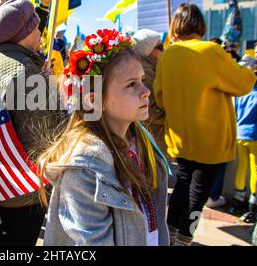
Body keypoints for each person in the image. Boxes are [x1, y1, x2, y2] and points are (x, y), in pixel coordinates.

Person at [39, 29, 169, 246]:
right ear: (94, 101)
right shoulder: (84, 170)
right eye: (131, 84)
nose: (146, 91)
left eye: (142, 80)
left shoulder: (143, 144)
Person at [153, 3, 256, 246]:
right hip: (212, 139)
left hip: (180, 137)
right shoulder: (211, 51)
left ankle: (169, 235)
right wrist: (249, 70)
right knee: (198, 195)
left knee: (181, 188)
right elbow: (242, 84)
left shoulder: (168, 55)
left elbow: (159, 97)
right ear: (200, 24)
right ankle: (185, 239)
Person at [0, 0, 67, 246]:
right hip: (25, 190)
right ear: (26, 31)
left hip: (2, 182)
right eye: (36, 26)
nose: (41, 32)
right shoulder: (26, 70)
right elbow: (43, 138)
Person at [230, 66, 257, 223]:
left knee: (242, 167)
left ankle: (238, 199)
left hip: (240, 135)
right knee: (256, 169)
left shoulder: (240, 95)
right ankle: (254, 203)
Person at [132, 29, 167, 156]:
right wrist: (172, 118)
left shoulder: (154, 67)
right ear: (148, 51)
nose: (164, 50)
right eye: (160, 47)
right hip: (155, 136)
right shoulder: (145, 72)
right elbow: (150, 110)